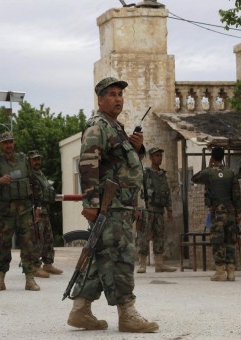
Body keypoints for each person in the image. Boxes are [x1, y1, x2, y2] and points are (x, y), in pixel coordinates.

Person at [67, 77, 158, 333]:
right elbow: (88, 165)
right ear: (100, 99)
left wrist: (136, 149)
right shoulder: (98, 127)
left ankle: (80, 310)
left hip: (121, 205)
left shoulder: (115, 128)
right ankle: (127, 313)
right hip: (110, 206)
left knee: (100, 257)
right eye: (112, 94)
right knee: (121, 258)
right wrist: (91, 203)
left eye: (120, 94)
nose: (118, 98)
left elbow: (121, 165)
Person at [0, 131, 41, 292]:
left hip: (25, 210)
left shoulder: (24, 160)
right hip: (5, 211)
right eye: (5, 143)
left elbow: (34, 182)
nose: (8, 145)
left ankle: (30, 279)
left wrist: (38, 207)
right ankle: (0, 279)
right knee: (3, 244)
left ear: (14, 143)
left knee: (28, 244)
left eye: (10, 142)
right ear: (0, 145)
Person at [191, 147, 241, 282]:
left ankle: (220, 272)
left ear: (212, 158)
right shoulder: (230, 172)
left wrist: (208, 167)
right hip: (231, 212)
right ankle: (231, 272)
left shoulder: (208, 172)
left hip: (217, 213)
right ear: (223, 157)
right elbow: (236, 195)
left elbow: (194, 178)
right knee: (230, 241)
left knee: (218, 242)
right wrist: (239, 212)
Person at [136, 147, 176, 273]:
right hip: (148, 209)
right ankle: (142, 264)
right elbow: (139, 191)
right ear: (151, 158)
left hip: (159, 210)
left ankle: (159, 264)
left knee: (159, 236)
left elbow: (167, 192)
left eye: (160, 155)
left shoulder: (163, 175)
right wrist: (138, 208)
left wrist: (169, 210)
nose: (159, 158)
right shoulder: (145, 173)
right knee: (144, 236)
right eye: (157, 155)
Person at [28, 150, 63, 276]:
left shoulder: (39, 173)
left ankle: (48, 264)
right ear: (29, 161)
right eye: (34, 159)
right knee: (37, 238)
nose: (37, 161)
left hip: (44, 209)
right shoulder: (29, 174)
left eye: (38, 159)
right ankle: (34, 266)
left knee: (48, 237)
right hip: (35, 209)